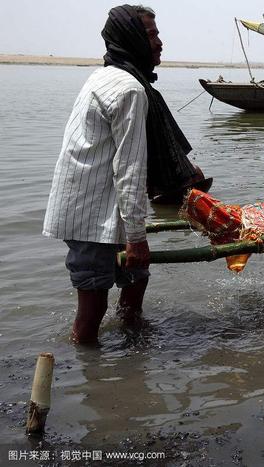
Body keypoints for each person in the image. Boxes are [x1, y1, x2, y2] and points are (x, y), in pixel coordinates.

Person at [43, 5, 195, 344]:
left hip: (102, 206)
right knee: (92, 307)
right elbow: (129, 169)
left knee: (136, 277)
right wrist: (137, 238)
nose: (160, 43)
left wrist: (134, 233)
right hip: (91, 214)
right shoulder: (129, 90)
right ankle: (88, 371)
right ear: (132, 40)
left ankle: (132, 354)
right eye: (152, 36)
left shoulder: (105, 76)